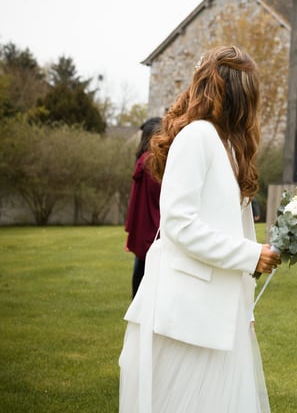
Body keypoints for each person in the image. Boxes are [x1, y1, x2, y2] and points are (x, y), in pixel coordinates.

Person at [119, 46, 281, 413]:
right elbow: (179, 224)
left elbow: (237, 229)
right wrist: (252, 256)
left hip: (222, 307)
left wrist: (245, 303)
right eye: (251, 88)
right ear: (236, 91)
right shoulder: (196, 137)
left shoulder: (229, 145)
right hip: (186, 311)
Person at [124, 117, 162, 298]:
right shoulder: (151, 161)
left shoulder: (143, 159)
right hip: (152, 222)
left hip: (144, 223)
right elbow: (160, 194)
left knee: (142, 266)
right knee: (149, 272)